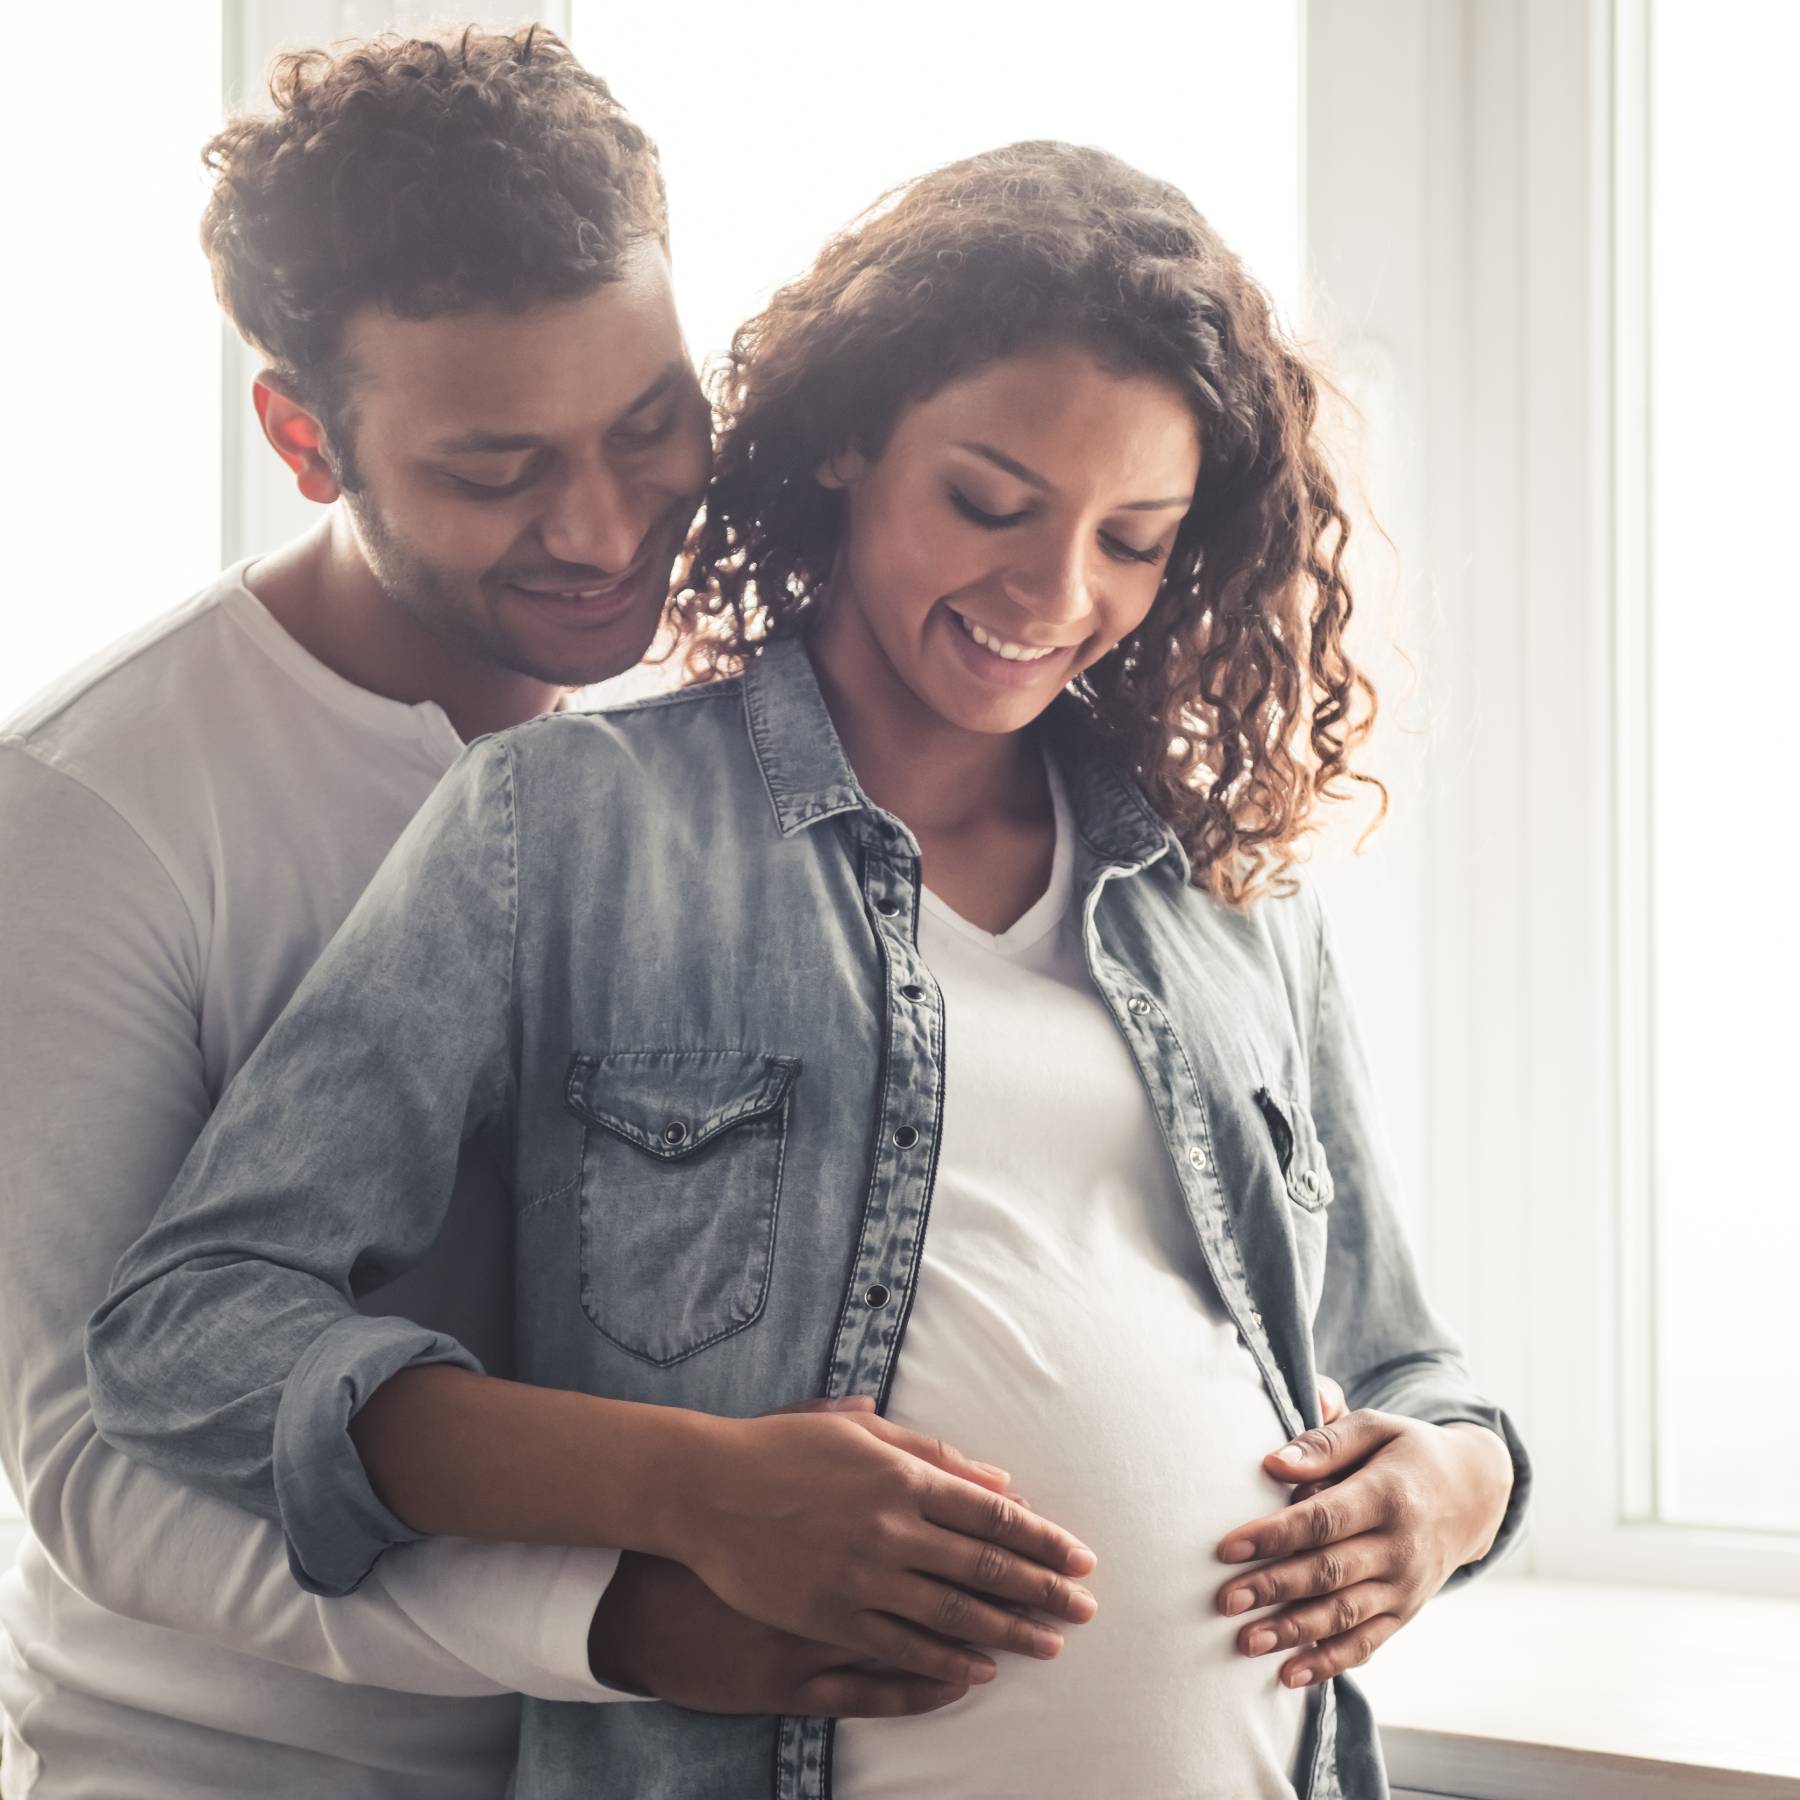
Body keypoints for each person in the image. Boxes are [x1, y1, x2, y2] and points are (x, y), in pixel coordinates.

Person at [87, 141, 1530, 1799]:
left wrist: (1452, 1491)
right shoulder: (565, 828)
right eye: (990, 503)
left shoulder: (1224, 895)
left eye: (1134, 538)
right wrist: (684, 1487)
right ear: (850, 437)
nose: (1055, 594)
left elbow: (1412, 1367)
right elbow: (186, 1337)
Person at [0, 28, 1032, 1800]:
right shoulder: (86, 818)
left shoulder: (718, 745)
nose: (607, 526)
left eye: (650, 426)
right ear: (304, 438)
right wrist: (621, 1616)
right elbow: (99, 1470)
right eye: (496, 472)